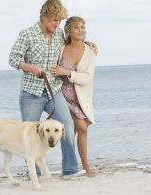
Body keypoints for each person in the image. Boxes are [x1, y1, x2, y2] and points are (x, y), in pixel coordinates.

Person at [8, 0, 86, 178]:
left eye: (59, 21)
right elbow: (13, 59)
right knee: (31, 134)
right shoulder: (27, 34)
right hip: (31, 94)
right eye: (54, 20)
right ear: (44, 17)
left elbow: (74, 40)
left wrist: (88, 44)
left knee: (66, 124)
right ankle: (33, 171)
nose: (57, 24)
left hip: (54, 91)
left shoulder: (59, 34)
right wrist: (31, 68)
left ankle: (70, 169)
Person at [50, 16, 96, 177]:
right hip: (60, 94)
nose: (81, 30)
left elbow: (87, 77)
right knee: (79, 128)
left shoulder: (89, 51)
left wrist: (68, 72)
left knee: (77, 131)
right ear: (68, 30)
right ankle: (82, 166)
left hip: (79, 97)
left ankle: (72, 166)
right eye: (76, 27)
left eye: (83, 27)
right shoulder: (61, 46)